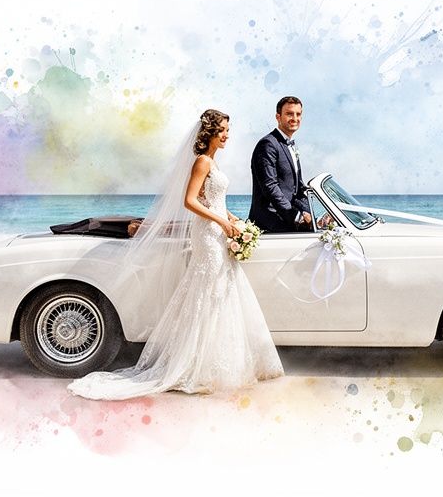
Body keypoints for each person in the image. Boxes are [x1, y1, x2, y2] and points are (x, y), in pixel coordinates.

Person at [68, 109, 284, 400]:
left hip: (219, 231)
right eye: (223, 130)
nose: (227, 135)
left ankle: (214, 362)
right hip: (207, 236)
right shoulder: (202, 162)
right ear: (210, 132)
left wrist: (233, 219)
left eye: (227, 130)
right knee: (209, 292)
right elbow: (189, 201)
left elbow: (214, 201)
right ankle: (194, 366)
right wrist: (220, 222)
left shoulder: (213, 163)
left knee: (221, 292)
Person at [248, 96, 312, 233]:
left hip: (286, 219)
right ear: (278, 117)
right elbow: (270, 186)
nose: (295, 118)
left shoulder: (290, 146)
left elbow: (298, 189)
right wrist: (297, 217)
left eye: (298, 114)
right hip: (270, 223)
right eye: (289, 114)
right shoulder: (268, 145)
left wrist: (309, 213)